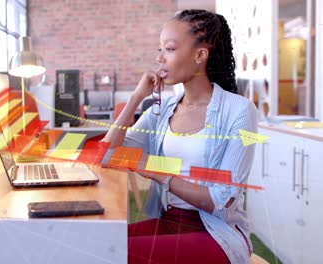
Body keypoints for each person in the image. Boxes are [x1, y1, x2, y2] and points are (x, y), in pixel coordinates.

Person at [102, 9, 258, 264]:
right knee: (94, 243)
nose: (160, 58)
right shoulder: (162, 108)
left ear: (200, 55)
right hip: (172, 221)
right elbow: (106, 155)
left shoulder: (240, 110)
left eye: (170, 49)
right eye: (159, 49)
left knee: (113, 254)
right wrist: (134, 99)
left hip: (217, 234)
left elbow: (220, 201)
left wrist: (152, 168)